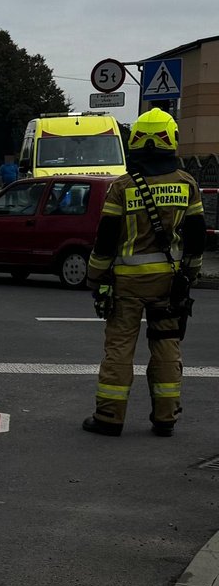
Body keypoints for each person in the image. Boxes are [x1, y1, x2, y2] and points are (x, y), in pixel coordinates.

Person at [82, 108, 205, 437]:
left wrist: (95, 277)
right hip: (169, 284)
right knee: (166, 346)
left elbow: (106, 239)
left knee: (120, 348)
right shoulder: (187, 184)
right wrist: (189, 276)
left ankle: (109, 417)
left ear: (135, 141)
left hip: (127, 285)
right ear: (171, 141)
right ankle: (165, 417)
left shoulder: (123, 186)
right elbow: (195, 238)